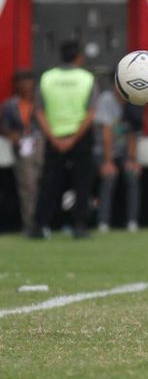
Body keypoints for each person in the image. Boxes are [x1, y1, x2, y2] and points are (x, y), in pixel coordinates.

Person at [32, 40, 98, 239]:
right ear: (79, 57)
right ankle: (79, 226)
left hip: (54, 138)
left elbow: (39, 112)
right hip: (80, 137)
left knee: (49, 184)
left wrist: (53, 137)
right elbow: (91, 113)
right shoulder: (87, 78)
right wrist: (73, 138)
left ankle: (39, 226)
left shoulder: (47, 78)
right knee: (82, 184)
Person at [94, 85, 144, 233]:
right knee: (110, 176)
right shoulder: (106, 99)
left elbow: (133, 133)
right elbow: (106, 133)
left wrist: (132, 160)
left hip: (123, 152)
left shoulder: (135, 100)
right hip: (101, 151)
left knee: (132, 174)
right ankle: (103, 222)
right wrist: (108, 162)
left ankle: (132, 221)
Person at [1, 70, 43, 235]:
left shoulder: (40, 103)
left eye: (28, 81)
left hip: (41, 143)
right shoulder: (10, 105)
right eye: (21, 81)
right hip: (22, 146)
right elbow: (4, 126)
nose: (25, 85)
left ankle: (44, 221)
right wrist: (12, 136)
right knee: (27, 187)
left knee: (43, 184)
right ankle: (30, 223)